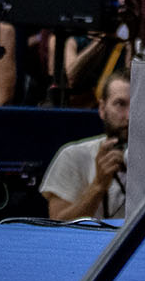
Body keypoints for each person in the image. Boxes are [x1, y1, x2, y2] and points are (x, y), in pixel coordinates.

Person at [42, 70, 129, 220]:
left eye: (138, 105)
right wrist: (98, 186)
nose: (129, 115)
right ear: (102, 109)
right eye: (120, 104)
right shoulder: (73, 156)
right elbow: (57, 224)